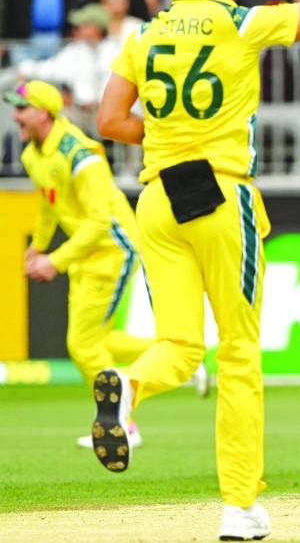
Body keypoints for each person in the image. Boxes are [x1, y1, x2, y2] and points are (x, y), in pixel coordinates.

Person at [92, 0, 300, 540]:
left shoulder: (146, 33)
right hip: (219, 196)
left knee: (179, 348)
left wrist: (168, 135)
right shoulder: (240, 22)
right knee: (238, 354)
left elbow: (108, 121)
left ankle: (129, 387)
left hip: (155, 197)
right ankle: (239, 506)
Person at [2, 80, 207, 450]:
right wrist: (38, 246)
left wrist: (56, 261)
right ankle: (182, 356)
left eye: (21, 108)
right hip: (89, 251)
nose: (14, 116)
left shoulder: (82, 155)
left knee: (82, 345)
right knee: (99, 339)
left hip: (113, 248)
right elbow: (49, 202)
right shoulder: (35, 154)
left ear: (44, 111)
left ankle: (124, 422)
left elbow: (99, 223)